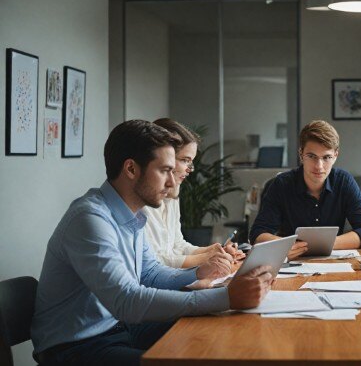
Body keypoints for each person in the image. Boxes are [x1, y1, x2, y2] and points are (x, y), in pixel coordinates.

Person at [31, 120, 273, 366]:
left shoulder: (135, 213)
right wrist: (227, 297)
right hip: (74, 347)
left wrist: (200, 272)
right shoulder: (89, 219)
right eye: (164, 170)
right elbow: (127, 301)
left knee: (217, 330)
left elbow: (150, 273)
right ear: (131, 169)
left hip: (118, 328)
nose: (172, 182)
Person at [249, 120, 361, 260]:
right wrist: (286, 246)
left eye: (326, 157)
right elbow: (257, 234)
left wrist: (326, 244)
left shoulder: (344, 182)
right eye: (312, 156)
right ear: (301, 154)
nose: (319, 166)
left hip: (333, 266)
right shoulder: (281, 184)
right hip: (292, 265)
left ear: (335, 155)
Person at [143, 118, 244, 268]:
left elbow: (178, 246)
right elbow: (156, 262)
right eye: (185, 160)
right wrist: (209, 257)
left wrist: (215, 250)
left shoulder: (172, 194)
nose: (190, 169)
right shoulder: (141, 202)